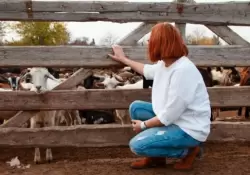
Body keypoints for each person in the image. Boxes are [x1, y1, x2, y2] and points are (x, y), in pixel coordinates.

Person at [108, 22, 211, 170]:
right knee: (136, 108)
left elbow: (169, 115)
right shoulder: (167, 64)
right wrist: (123, 59)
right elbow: (146, 70)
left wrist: (143, 125)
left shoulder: (182, 71)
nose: (149, 42)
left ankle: (189, 151)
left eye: (152, 39)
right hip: (176, 118)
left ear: (162, 43)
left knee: (137, 146)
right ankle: (156, 158)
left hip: (188, 128)